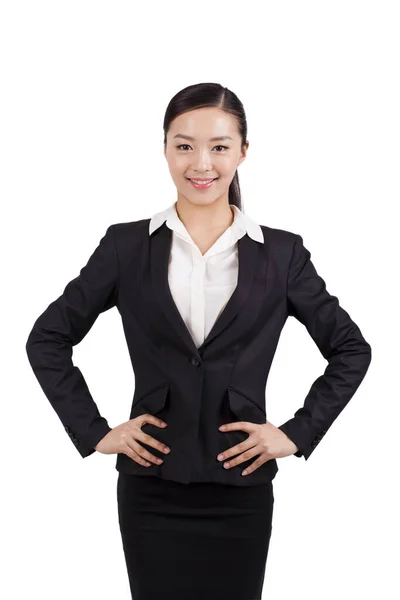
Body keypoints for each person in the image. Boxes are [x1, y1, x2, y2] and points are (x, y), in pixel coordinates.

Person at [25, 82, 372, 599]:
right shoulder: (125, 246)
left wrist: (297, 434)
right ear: (164, 148)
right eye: (184, 145)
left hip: (242, 487)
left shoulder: (281, 254)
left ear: (243, 152)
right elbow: (48, 337)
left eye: (219, 146)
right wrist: (94, 431)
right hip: (150, 486)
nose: (201, 163)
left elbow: (351, 348)